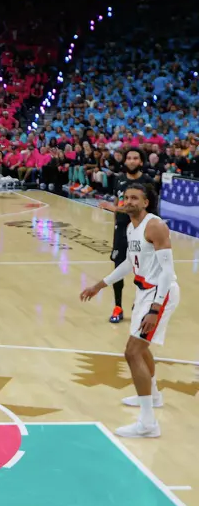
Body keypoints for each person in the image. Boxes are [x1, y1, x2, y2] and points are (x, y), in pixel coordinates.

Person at [80, 183, 178, 438]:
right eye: (125, 197)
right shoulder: (130, 227)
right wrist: (99, 285)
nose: (128, 201)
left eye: (135, 198)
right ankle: (153, 396)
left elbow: (167, 273)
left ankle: (148, 424)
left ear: (146, 203)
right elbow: (128, 263)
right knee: (141, 349)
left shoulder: (154, 226)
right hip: (144, 291)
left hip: (160, 293)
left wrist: (155, 308)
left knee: (132, 351)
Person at [97, 148, 145, 323]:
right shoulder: (119, 180)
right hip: (122, 230)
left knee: (142, 270)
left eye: (135, 158)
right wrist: (116, 226)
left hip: (141, 230)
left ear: (140, 162)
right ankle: (118, 306)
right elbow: (117, 204)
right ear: (125, 162)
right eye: (129, 158)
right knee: (118, 269)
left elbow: (143, 208)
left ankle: (140, 304)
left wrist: (114, 208)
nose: (132, 161)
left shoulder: (146, 182)